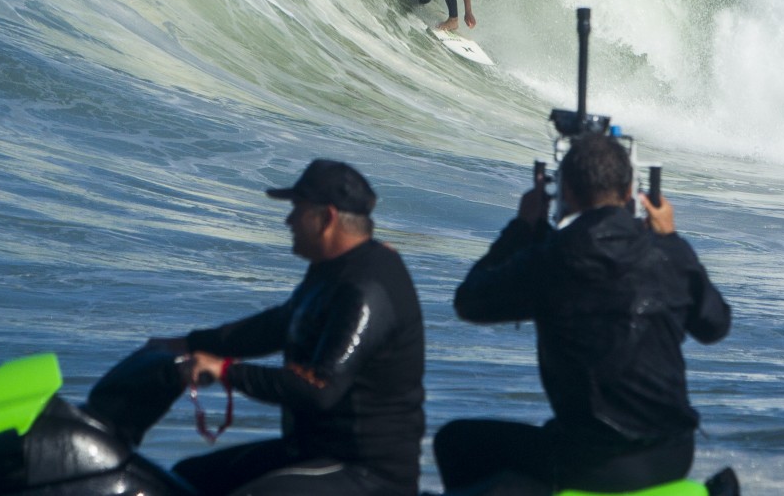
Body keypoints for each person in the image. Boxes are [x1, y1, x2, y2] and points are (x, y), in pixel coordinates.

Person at [434, 133, 732, 496]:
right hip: (674, 453)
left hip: (594, 463)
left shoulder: (552, 259)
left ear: (567, 192)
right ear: (630, 193)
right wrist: (671, 238)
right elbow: (715, 326)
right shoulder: (668, 253)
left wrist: (523, 226)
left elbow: (470, 301)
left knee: (455, 442)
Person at [147, 159, 426, 496]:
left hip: (366, 473)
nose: (288, 220)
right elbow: (279, 325)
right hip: (310, 454)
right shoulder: (332, 269)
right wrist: (188, 343)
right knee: (185, 478)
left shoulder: (365, 288)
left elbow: (319, 389)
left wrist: (226, 372)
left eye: (297, 209)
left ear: (326, 217)